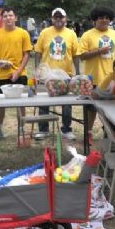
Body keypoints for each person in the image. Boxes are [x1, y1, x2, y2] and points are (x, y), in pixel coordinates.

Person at [34, 7, 80, 140]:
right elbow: (38, 52)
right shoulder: (44, 33)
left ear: (66, 18)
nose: (59, 19)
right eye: (56, 17)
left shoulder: (71, 34)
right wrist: (37, 70)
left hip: (66, 75)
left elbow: (76, 55)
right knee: (43, 102)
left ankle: (66, 129)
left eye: (61, 17)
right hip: (47, 76)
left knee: (66, 104)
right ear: (52, 19)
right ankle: (43, 130)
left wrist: (77, 73)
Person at [0, 7, 33, 142]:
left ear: (16, 18)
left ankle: (21, 130)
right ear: (2, 18)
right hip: (1, 75)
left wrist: (18, 71)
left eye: (10, 15)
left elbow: (27, 54)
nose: (8, 18)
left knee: (21, 104)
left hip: (20, 74)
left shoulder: (23, 33)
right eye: (5, 16)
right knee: (0, 104)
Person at [79, 7, 115, 87]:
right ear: (95, 20)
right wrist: (99, 51)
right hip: (93, 82)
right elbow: (82, 56)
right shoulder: (87, 35)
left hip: (113, 81)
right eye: (101, 18)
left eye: (107, 18)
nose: (104, 20)